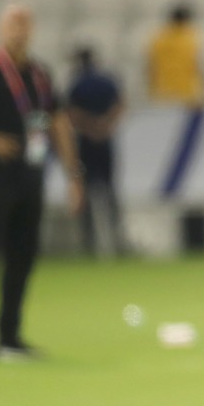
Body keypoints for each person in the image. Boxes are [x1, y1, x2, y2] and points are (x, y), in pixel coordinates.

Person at [0, 0, 84, 360]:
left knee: (22, 255)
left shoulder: (40, 74)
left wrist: (73, 174)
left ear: (32, 30)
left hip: (31, 176)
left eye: (24, 24)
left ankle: (10, 334)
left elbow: (56, 122)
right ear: (0, 28)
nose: (19, 30)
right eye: (12, 23)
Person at [67, 46, 127, 256]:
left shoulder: (76, 83)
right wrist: (106, 125)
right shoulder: (107, 80)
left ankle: (89, 243)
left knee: (86, 190)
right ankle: (118, 240)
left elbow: (72, 113)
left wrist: (89, 126)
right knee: (110, 191)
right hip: (106, 140)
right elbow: (120, 104)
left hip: (86, 142)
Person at [146, 3, 204, 107]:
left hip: (162, 91)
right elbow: (198, 65)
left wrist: (151, 88)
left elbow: (151, 66)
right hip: (187, 92)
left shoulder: (159, 38)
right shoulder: (191, 38)